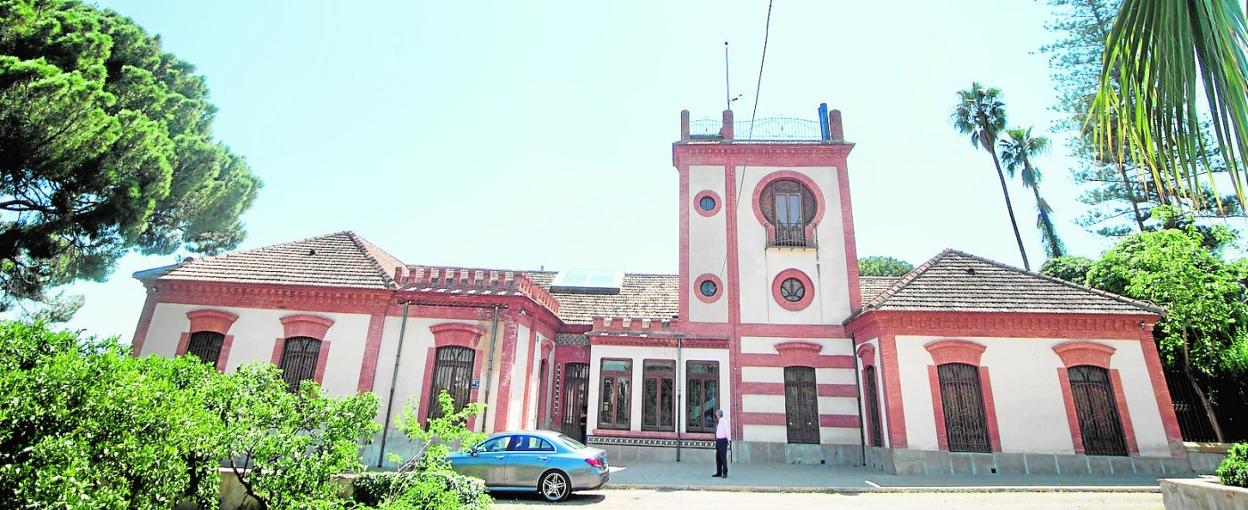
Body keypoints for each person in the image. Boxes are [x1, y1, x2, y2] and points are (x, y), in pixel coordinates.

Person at [713, 408, 729, 478]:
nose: (716, 415)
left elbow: (727, 431)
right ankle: (719, 472)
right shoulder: (719, 421)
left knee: (723, 457)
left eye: (716, 414)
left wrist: (729, 440)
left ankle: (725, 473)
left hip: (723, 441)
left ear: (718, 415)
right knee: (718, 457)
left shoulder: (723, 422)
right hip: (719, 441)